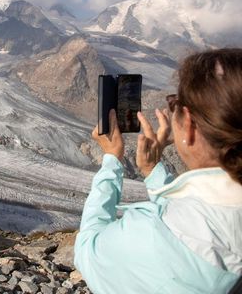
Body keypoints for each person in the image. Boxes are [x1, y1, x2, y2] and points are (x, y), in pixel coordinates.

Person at [74, 49, 242, 294]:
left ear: (190, 125)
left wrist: (111, 160)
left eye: (174, 103)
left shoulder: (151, 235)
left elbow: (89, 250)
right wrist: (153, 171)